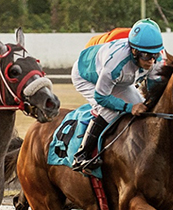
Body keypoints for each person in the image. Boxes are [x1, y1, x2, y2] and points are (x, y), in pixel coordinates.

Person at [68, 18, 165, 172]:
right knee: (109, 111)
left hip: (120, 80)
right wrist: (129, 107)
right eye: (147, 56)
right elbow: (101, 97)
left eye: (154, 55)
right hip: (86, 76)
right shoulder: (115, 64)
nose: (151, 61)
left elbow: (154, 89)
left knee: (143, 110)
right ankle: (82, 155)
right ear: (134, 51)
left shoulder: (156, 57)